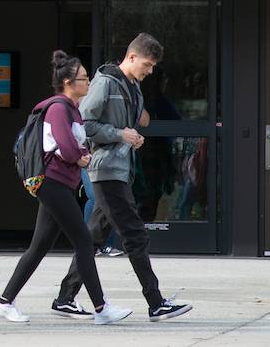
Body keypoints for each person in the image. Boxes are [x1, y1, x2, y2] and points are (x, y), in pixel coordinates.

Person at [54, 33, 193, 322]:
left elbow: (125, 124)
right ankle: (155, 303)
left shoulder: (134, 87)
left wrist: (132, 135)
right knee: (135, 234)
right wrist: (120, 134)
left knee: (92, 238)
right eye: (147, 64)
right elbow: (84, 123)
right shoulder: (105, 82)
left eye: (153, 66)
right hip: (105, 171)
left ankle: (65, 298)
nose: (150, 71)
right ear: (131, 57)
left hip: (120, 169)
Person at [0, 51, 133, 325]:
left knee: (40, 245)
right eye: (83, 78)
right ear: (68, 82)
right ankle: (102, 309)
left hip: (58, 184)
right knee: (83, 240)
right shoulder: (58, 108)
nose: (88, 81)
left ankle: (4, 302)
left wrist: (79, 154)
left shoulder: (72, 109)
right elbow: (66, 146)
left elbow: (71, 145)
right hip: (52, 183)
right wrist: (80, 156)